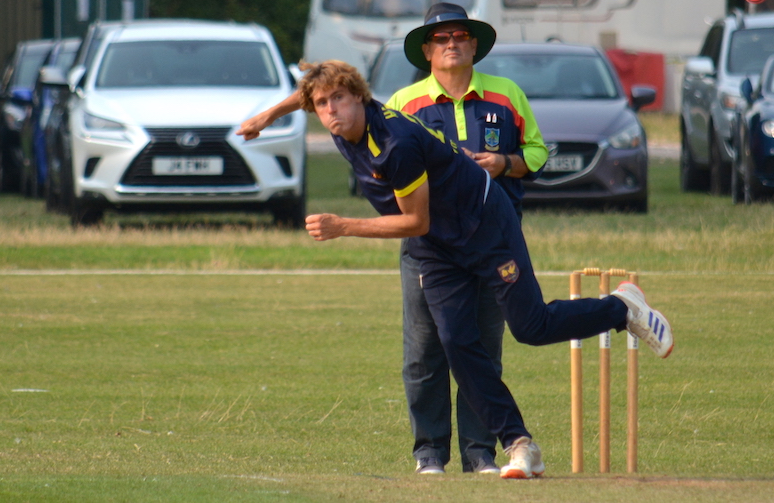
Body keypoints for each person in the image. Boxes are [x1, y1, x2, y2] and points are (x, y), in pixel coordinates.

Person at [235, 60, 674, 480]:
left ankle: (621, 308)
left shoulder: (394, 145)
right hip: (438, 247)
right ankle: (519, 443)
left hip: (484, 225)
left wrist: (342, 226)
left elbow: (415, 221)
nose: (330, 110)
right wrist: (266, 116)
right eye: (322, 103)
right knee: (455, 342)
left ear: (359, 98)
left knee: (531, 326)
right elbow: (307, 94)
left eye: (338, 100)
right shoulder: (339, 118)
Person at [387, 2, 548, 475]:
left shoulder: (507, 95)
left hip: (492, 243)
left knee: (480, 347)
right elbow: (385, 171)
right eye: (441, 38)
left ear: (474, 44)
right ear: (426, 50)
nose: (452, 43)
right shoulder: (404, 103)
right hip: (429, 245)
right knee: (424, 351)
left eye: (460, 36)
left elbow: (537, 152)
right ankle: (429, 453)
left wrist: (505, 164)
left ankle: (479, 453)